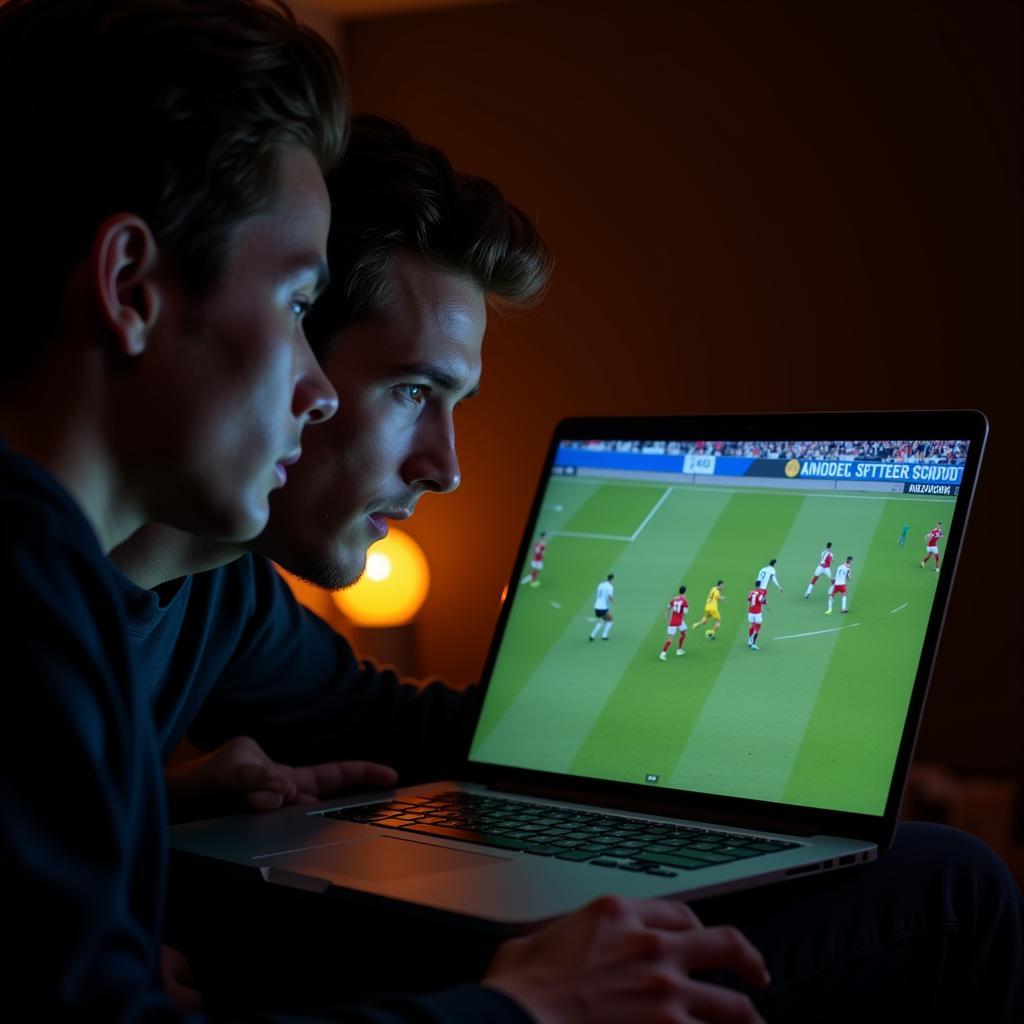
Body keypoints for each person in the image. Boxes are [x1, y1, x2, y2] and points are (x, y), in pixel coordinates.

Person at [113, 121, 1021, 1024]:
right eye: (412, 392)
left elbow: (385, 727)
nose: (446, 465)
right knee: (952, 883)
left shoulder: (216, 589)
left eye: (455, 403)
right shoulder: (49, 584)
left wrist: (143, 807)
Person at [0, 0, 345, 1017]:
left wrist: (125, 808)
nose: (319, 389)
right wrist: (526, 1008)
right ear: (132, 287)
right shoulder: (26, 574)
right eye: (295, 304)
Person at [659, 585, 689, 660]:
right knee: (682, 634)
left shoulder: (674, 599)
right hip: (679, 621)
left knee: (682, 633)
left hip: (673, 621)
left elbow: (668, 608)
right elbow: (685, 612)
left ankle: (674, 651)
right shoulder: (684, 600)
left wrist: (666, 617)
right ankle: (666, 653)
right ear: (685, 591)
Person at [589, 573, 616, 641]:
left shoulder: (600, 585)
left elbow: (598, 595)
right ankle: (604, 636)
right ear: (611, 579)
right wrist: (613, 601)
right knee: (610, 620)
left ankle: (592, 635)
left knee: (601, 622)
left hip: (596, 606)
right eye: (613, 580)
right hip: (603, 608)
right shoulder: (610, 587)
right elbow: (610, 596)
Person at [747, 581, 768, 650]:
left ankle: (749, 641)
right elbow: (761, 600)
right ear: (760, 585)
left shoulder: (751, 592)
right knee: (757, 627)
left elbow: (748, 599)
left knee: (751, 626)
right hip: (757, 613)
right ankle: (753, 644)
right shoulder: (760, 592)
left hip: (750, 612)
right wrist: (765, 601)